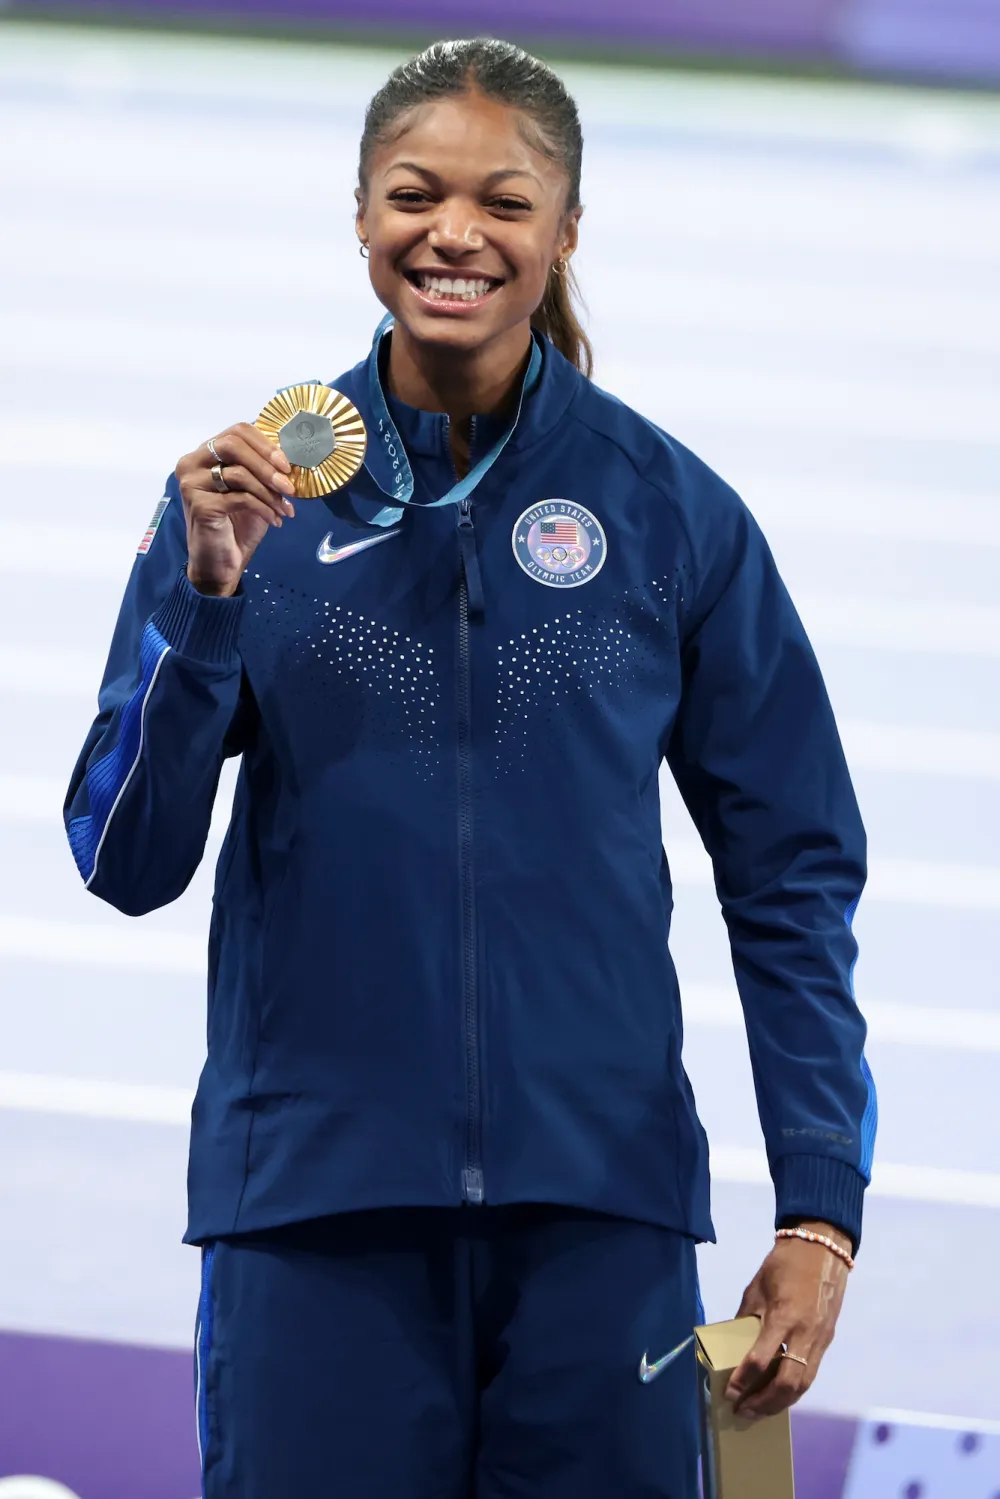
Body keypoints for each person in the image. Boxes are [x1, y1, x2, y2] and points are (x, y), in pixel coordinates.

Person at [64, 37, 876, 1499]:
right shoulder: (252, 507)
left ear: (565, 229)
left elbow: (795, 868)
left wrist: (820, 1207)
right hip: (311, 1214)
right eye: (414, 193)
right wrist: (202, 603)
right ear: (361, 215)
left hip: (602, 1218)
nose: (455, 233)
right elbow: (124, 859)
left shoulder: (667, 511)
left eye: (505, 203)